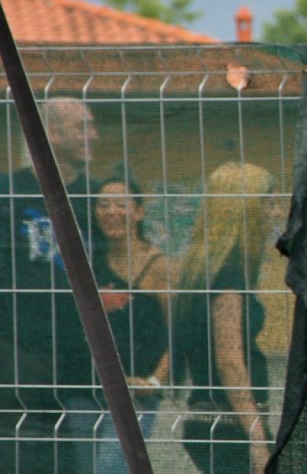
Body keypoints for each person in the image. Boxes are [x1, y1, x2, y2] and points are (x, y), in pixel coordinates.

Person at [0, 97, 100, 473]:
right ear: (51, 133)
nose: (94, 135)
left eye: (92, 126)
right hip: (22, 356)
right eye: (82, 127)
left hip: (82, 358)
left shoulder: (96, 196)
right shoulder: (10, 193)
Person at [62, 175, 172, 472]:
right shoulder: (85, 261)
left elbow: (180, 333)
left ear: (138, 212)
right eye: (103, 205)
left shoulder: (158, 266)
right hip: (84, 392)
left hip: (132, 396)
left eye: (120, 204)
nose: (111, 212)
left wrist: (155, 381)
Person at [175, 162, 276, 474]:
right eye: (268, 203)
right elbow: (229, 359)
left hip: (215, 420)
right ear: (244, 208)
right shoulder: (229, 275)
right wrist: (257, 436)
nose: (275, 213)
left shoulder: (204, 269)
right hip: (230, 426)